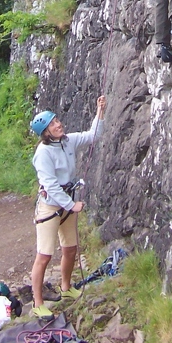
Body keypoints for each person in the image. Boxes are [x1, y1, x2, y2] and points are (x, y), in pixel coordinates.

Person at [29, 95, 106, 320]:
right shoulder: (43, 153)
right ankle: (37, 302)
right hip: (51, 208)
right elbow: (50, 185)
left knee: (70, 249)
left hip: (67, 205)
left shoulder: (67, 140)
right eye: (52, 123)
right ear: (45, 132)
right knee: (44, 255)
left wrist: (99, 111)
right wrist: (71, 205)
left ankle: (65, 287)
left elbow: (93, 136)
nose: (58, 124)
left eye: (57, 120)